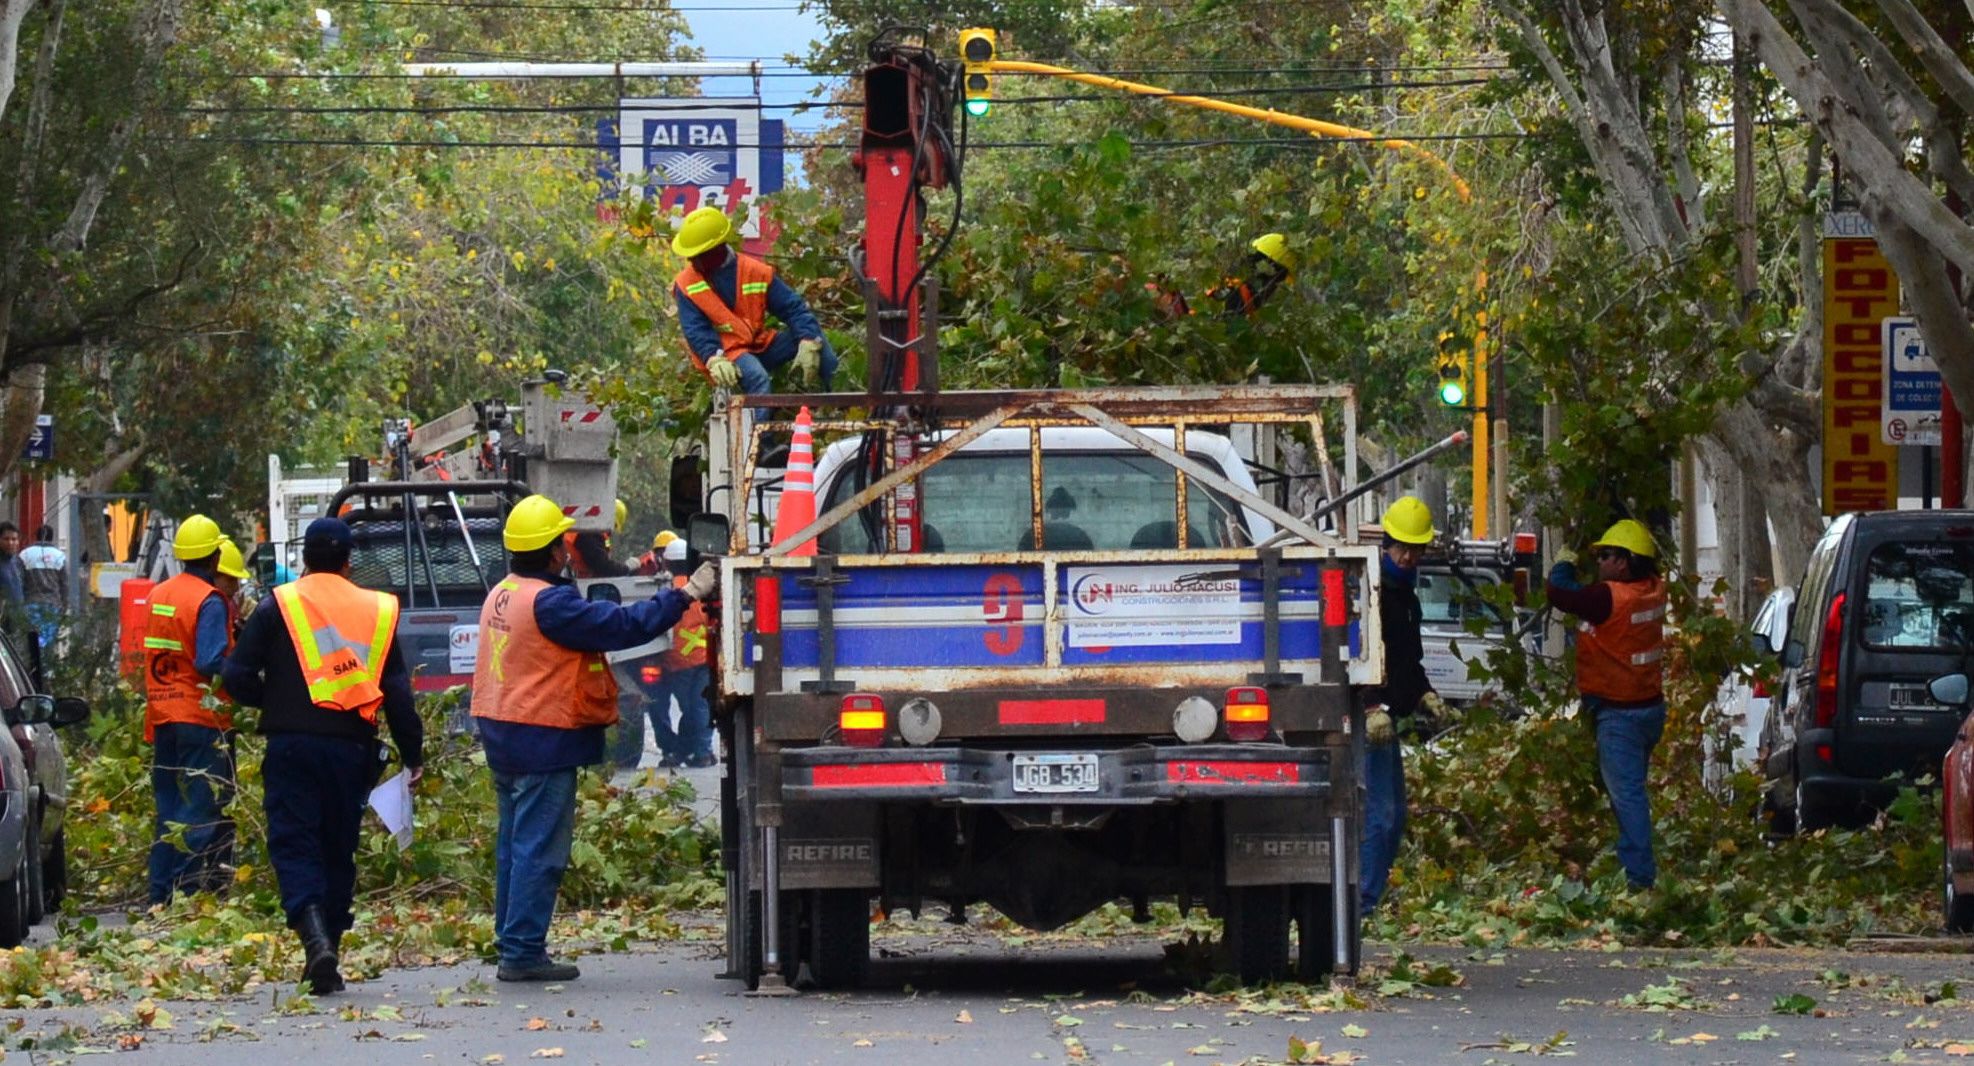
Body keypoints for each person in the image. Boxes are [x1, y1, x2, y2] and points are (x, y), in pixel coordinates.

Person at [472, 494, 716, 981]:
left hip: (504, 731)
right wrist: (686, 594)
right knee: (539, 850)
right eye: (561, 544)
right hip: (541, 737)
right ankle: (521, 952)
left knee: (514, 846)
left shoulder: (504, 590)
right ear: (553, 551)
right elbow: (623, 626)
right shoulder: (551, 603)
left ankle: (510, 941)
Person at [221, 517, 424, 995]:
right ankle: (328, 942)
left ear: (305, 560)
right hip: (351, 748)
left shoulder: (279, 604)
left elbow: (235, 676)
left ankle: (315, 941)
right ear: (349, 561)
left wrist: (273, 702)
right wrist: (412, 754)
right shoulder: (377, 609)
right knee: (337, 845)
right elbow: (397, 693)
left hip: (291, 745)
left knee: (295, 843)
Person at [1546, 518, 1668, 890]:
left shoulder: (1610, 598)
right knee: (1629, 791)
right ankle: (1633, 865)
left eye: (1606, 555)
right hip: (1648, 708)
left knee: (1627, 795)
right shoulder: (1654, 588)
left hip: (1620, 715)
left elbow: (1561, 593)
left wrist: (1563, 563)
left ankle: (1639, 879)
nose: (1598, 561)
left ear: (1624, 562)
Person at [1358, 497, 1453, 919]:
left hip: (1387, 719)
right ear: (1387, 543)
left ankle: (1368, 898)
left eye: (1416, 550)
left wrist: (1424, 694)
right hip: (1367, 719)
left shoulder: (1405, 596)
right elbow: (1353, 654)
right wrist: (1369, 705)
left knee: (1394, 816)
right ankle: (1360, 905)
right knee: (1379, 816)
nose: (1409, 557)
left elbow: (1406, 661)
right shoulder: (1369, 591)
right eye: (1403, 548)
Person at [143, 515, 236, 905]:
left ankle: (159, 895)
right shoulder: (209, 599)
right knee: (198, 808)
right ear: (215, 558)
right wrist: (245, 670)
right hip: (199, 716)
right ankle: (185, 892)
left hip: (162, 713)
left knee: (169, 808)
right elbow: (210, 660)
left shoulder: (159, 594)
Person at [671, 205, 837, 394]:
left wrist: (808, 339)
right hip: (726, 352)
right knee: (758, 378)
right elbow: (695, 330)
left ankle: (843, 403)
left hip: (759, 344)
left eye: (697, 255)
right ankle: (758, 415)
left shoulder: (755, 271)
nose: (692, 261)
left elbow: (792, 308)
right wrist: (713, 357)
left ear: (717, 248)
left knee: (816, 341)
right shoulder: (686, 283)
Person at [657, 537, 715, 768]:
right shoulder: (701, 587)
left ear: (667, 563)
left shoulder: (666, 589)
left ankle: (694, 751)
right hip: (705, 657)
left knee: (690, 708)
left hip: (678, 662)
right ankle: (699, 752)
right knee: (700, 706)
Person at [19, 524, 67, 647]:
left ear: (36, 536)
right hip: (53, 604)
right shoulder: (59, 556)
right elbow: (64, 584)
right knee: (48, 641)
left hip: (31, 602)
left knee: (32, 641)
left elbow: (20, 581)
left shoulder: (25, 554)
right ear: (52, 537)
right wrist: (64, 605)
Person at [0, 521, 25, 616]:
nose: (10, 543)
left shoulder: (18, 561)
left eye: (14, 539)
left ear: (18, 541)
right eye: (6, 539)